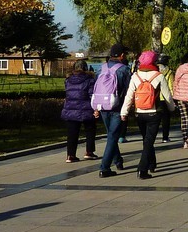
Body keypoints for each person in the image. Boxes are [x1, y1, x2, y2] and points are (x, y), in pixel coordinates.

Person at [121, 50, 176, 179]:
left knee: (146, 140)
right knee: (148, 141)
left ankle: (152, 163)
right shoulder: (158, 76)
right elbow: (167, 96)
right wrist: (172, 108)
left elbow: (129, 96)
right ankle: (142, 169)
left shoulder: (135, 76)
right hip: (154, 113)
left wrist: (124, 112)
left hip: (139, 113)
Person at [94, 44, 132, 177]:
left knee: (111, 135)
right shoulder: (124, 69)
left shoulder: (101, 68)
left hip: (103, 106)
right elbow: (129, 90)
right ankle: (104, 168)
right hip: (117, 106)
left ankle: (118, 160)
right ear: (122, 55)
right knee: (112, 136)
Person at [61, 60, 96, 162]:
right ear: (86, 68)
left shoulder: (68, 80)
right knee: (90, 130)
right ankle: (89, 152)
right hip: (86, 108)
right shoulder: (89, 80)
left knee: (72, 133)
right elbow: (91, 95)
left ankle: (70, 155)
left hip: (70, 109)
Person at [157, 54, 174, 143]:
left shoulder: (154, 71)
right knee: (165, 119)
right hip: (164, 98)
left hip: (154, 98)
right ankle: (165, 137)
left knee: (155, 119)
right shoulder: (169, 72)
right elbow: (171, 86)